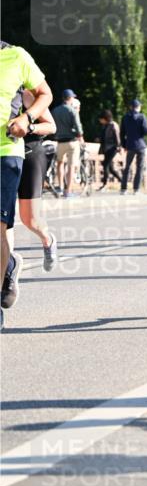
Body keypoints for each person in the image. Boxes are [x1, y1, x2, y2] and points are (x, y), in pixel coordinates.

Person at [0, 41, 53, 329]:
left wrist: (27, 120)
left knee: (15, 221)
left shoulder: (16, 58)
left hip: (13, 152)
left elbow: (47, 105)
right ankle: (9, 266)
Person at [12, 88, 58, 272]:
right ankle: (8, 263)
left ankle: (48, 240)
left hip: (29, 154)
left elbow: (51, 126)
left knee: (29, 218)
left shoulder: (25, 94)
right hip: (5, 156)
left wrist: (28, 127)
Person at [52, 88, 84, 198]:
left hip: (59, 141)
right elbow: (78, 127)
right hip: (71, 142)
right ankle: (68, 191)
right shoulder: (72, 110)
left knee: (60, 163)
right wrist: (80, 136)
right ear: (70, 98)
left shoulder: (55, 110)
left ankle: (60, 187)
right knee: (71, 166)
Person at [120, 98, 147, 194]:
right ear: (139, 107)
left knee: (127, 166)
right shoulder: (142, 117)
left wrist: (124, 145)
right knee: (139, 167)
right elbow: (145, 131)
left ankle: (123, 189)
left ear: (130, 107)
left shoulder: (125, 117)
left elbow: (122, 133)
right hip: (140, 145)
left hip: (129, 145)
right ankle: (136, 189)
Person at [97, 109, 123, 190]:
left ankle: (105, 184)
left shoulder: (113, 125)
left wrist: (119, 147)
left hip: (113, 148)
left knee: (105, 164)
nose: (100, 121)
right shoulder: (106, 125)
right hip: (107, 148)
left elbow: (117, 137)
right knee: (110, 168)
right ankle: (122, 181)